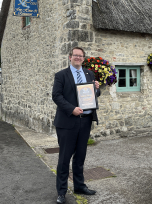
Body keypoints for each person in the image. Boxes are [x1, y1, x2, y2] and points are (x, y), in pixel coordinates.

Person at [52, 47, 100, 204]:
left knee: (80, 157)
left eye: (81, 56)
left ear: (83, 58)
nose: (78, 58)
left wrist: (97, 89)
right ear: (70, 57)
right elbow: (56, 96)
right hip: (67, 122)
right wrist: (71, 109)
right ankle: (61, 192)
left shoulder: (89, 74)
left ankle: (79, 186)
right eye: (75, 55)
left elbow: (91, 95)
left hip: (85, 121)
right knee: (64, 158)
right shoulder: (61, 75)